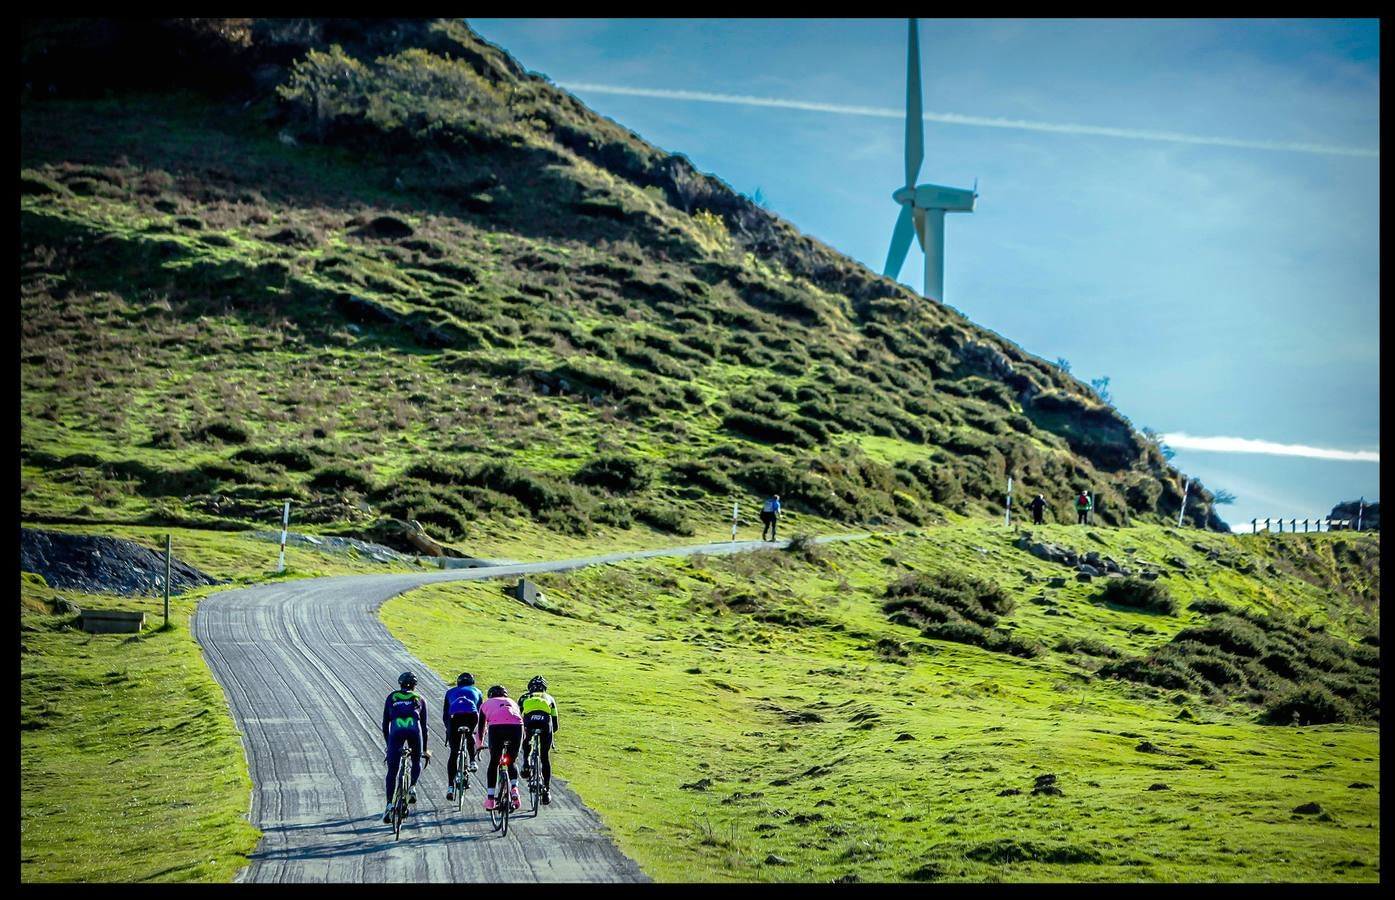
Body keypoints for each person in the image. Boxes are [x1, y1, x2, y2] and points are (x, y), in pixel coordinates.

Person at [381, 671, 430, 824]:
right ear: (414, 686)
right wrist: (425, 750)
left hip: (396, 732)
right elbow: (424, 727)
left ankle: (389, 804)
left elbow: (385, 724)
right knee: (416, 761)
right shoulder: (420, 699)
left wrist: (388, 745)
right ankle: (412, 787)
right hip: (414, 731)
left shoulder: (392, 697)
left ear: (400, 683)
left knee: (392, 771)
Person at [475, 684, 524, 812]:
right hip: (516, 727)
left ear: (490, 695)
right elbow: (521, 721)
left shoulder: (486, 704)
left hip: (497, 728)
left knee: (494, 762)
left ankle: (490, 799)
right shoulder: (512, 701)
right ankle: (514, 788)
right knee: (511, 761)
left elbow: (481, 728)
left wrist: (479, 745)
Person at [442, 672, 483, 802]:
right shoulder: (477, 691)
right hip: (471, 715)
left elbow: (445, 714)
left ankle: (450, 786)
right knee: (469, 733)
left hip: (454, 717)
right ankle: (472, 761)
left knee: (454, 753)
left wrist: (449, 730)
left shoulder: (450, 692)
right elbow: (480, 711)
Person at [518, 675, 560, 805]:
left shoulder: (524, 697)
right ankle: (546, 791)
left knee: (526, 740)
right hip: (545, 724)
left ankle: (525, 763)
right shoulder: (549, 698)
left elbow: (518, 717)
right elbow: (555, 724)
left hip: (529, 722)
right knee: (545, 757)